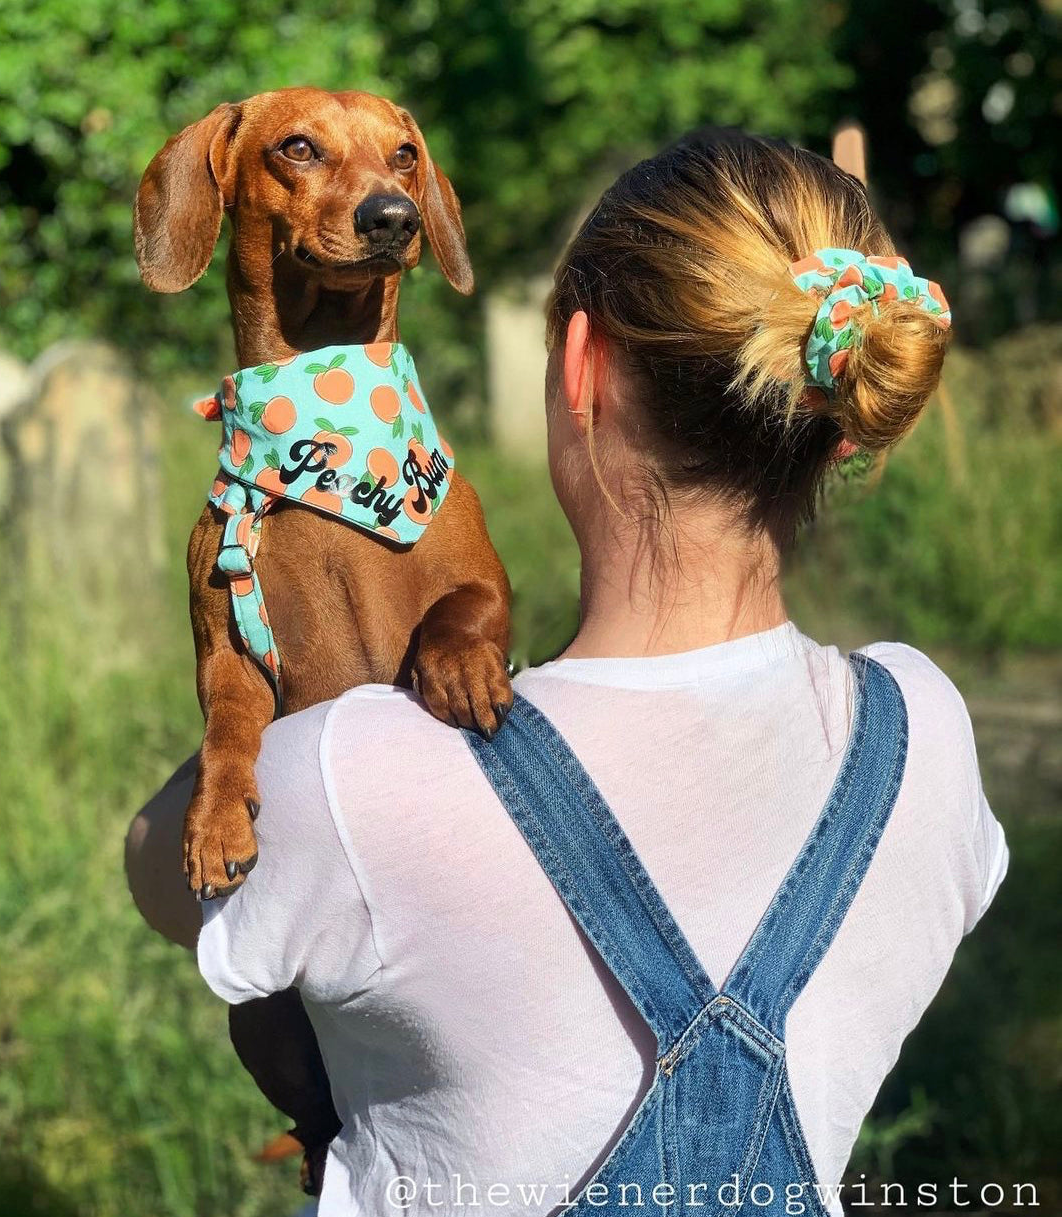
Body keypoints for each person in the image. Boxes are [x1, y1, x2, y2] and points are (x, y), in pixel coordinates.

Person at [126, 129, 1007, 1215]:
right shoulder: (923, 733)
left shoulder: (347, 781)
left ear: (581, 366)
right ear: (833, 417)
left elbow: (158, 870)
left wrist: (256, 626)